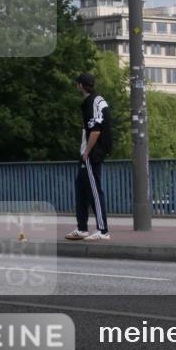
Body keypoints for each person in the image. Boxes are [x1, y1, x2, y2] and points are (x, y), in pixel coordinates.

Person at [65, 73, 113, 241]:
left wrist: (87, 152)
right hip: (88, 152)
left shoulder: (91, 102)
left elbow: (96, 130)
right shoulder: (97, 100)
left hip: (92, 153)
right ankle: (82, 228)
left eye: (77, 84)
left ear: (80, 85)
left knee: (94, 191)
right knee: (81, 188)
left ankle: (103, 230)